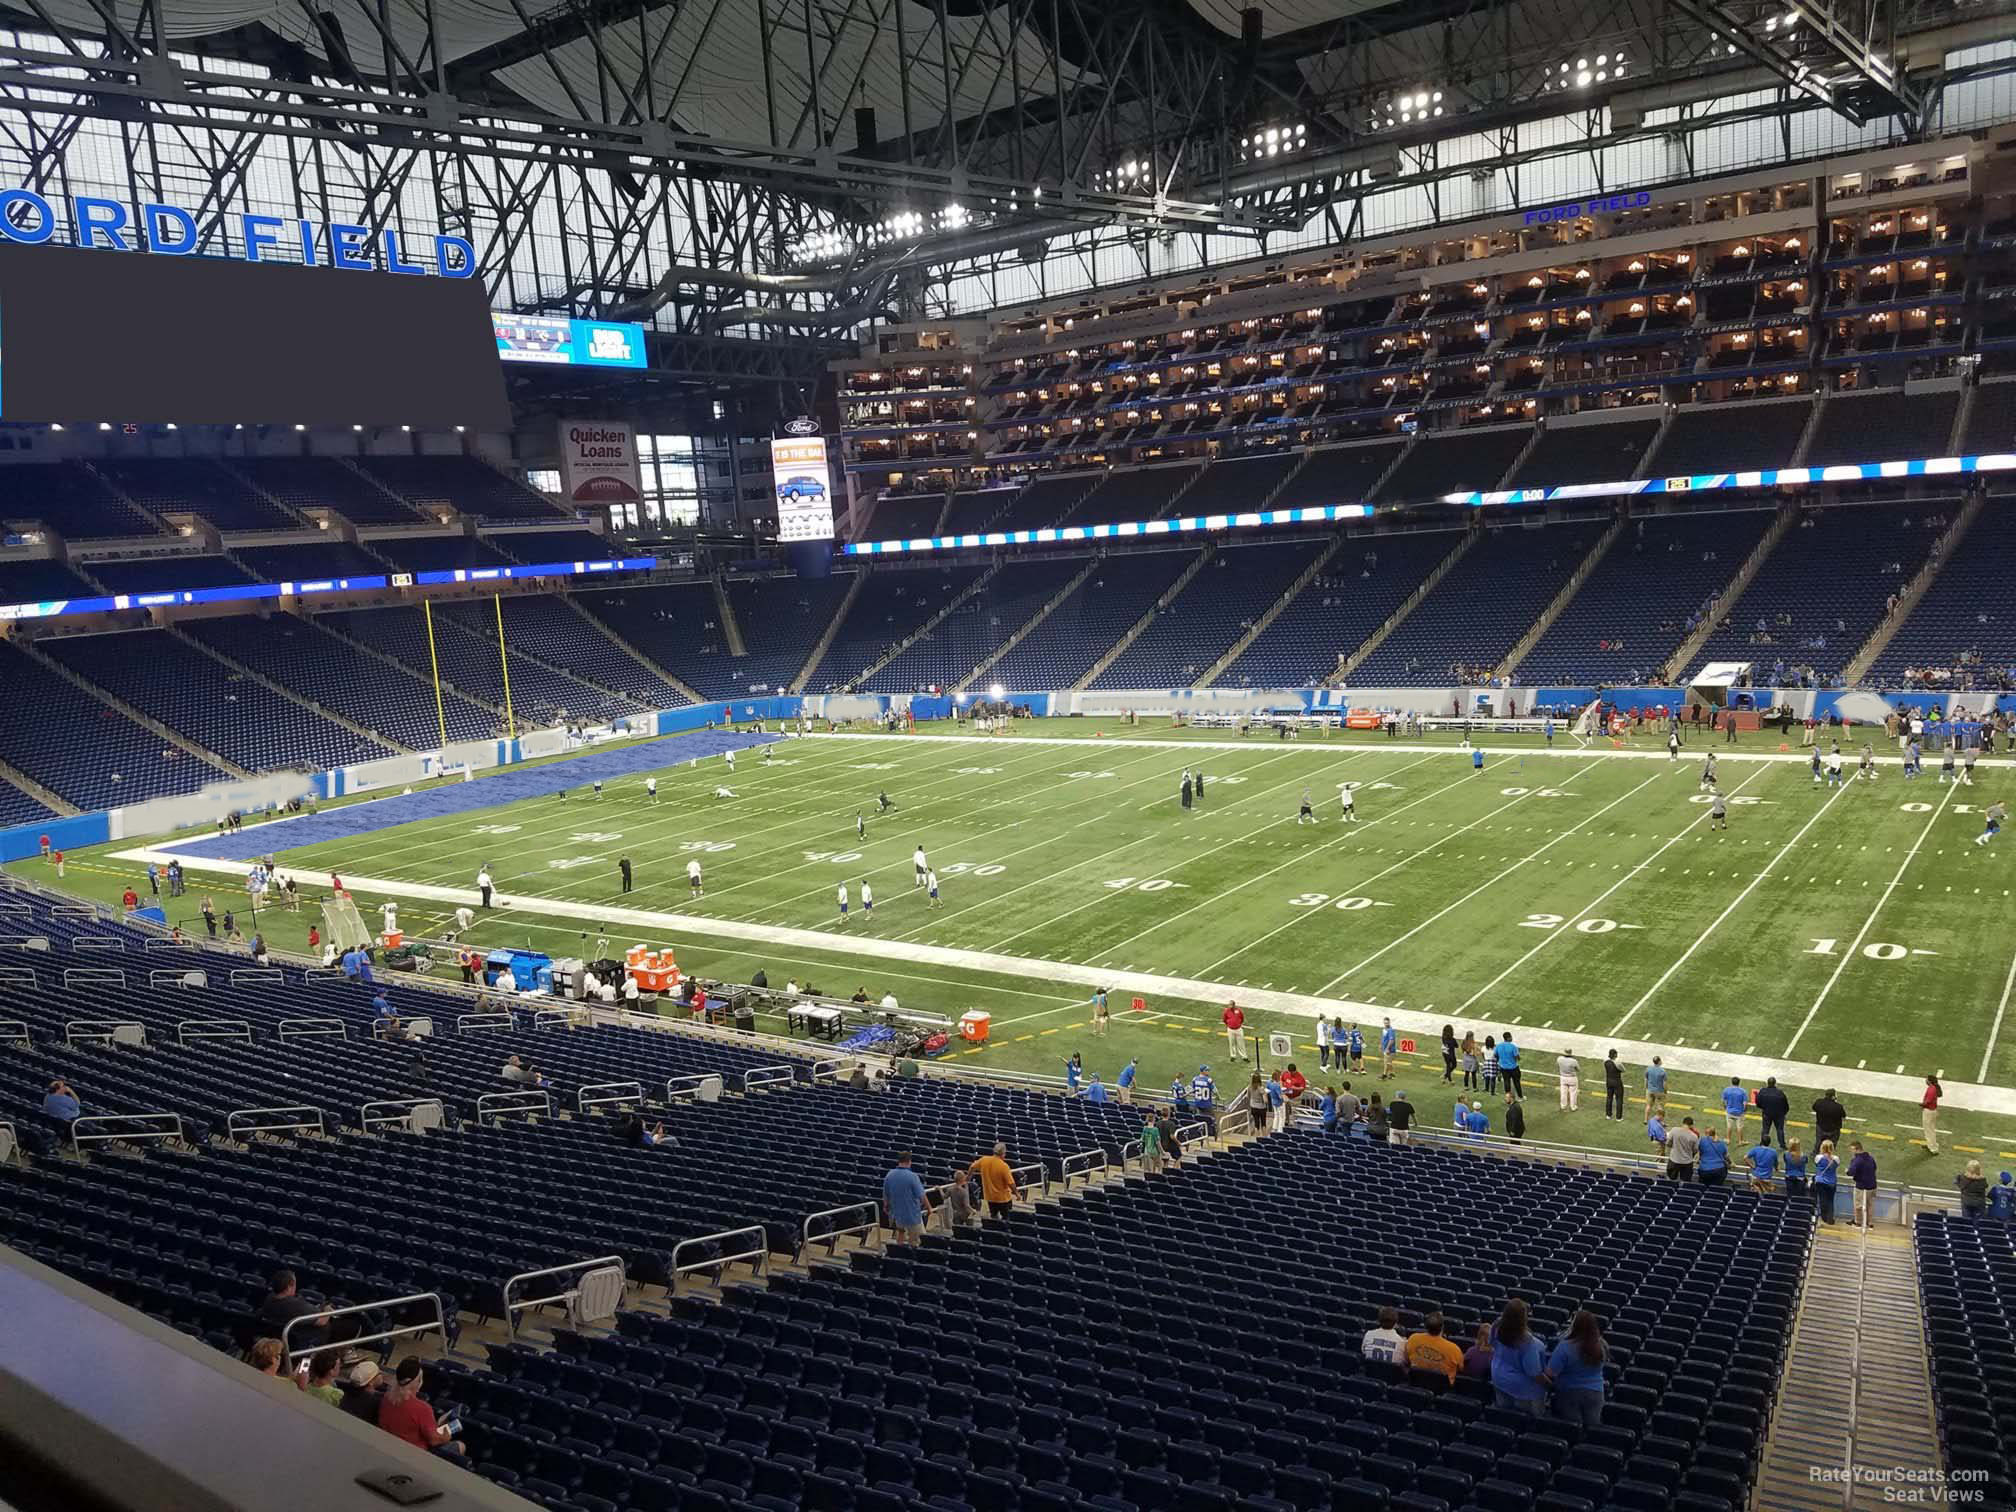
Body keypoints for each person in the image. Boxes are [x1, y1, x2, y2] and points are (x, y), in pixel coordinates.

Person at [378, 1358, 465, 1459]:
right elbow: (435, 1441)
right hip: (415, 1456)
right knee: (460, 1445)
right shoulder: (423, 1408)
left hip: (389, 1448)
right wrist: (447, 1434)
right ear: (418, 1382)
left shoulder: (386, 1398)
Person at [1548, 1312, 1608, 1428]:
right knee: (1592, 1429)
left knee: (1573, 1429)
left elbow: (1551, 1372)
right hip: (1595, 1393)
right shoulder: (1601, 1345)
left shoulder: (1565, 1346)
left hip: (1569, 1393)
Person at [1489, 1299, 1548, 1416]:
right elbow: (1534, 1373)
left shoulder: (1496, 1326)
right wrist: (1550, 1385)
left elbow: (1492, 1343)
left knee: (1506, 1418)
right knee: (1531, 1423)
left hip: (1499, 1378)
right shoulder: (1527, 1342)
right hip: (1523, 1390)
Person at [257, 1270, 330, 1352]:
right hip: (297, 1344)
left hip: (274, 1338)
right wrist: (328, 1309)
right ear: (288, 1287)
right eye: (294, 1284)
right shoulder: (296, 1306)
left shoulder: (269, 1298)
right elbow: (321, 1321)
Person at [1405, 1311, 1464, 1384]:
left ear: (1425, 1326)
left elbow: (1407, 1359)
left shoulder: (1413, 1338)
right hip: (1443, 1388)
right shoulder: (1454, 1349)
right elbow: (1461, 1369)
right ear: (1442, 1327)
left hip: (1415, 1382)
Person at [883, 1153, 930, 1244]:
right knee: (919, 1240)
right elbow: (922, 1196)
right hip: (912, 1216)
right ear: (909, 1161)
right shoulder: (912, 1176)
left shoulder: (889, 1175)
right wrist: (929, 1208)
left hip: (897, 1215)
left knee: (900, 1235)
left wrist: (886, 1207)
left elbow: (886, 1195)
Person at [974, 1143, 1018, 1216]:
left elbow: (972, 1167)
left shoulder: (984, 1160)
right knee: (1007, 1217)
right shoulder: (1004, 1166)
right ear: (1003, 1153)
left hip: (990, 1197)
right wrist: (1017, 1194)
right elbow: (1011, 1183)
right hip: (1003, 1198)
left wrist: (968, 1177)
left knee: (993, 1215)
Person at [1848, 1141, 1878, 1226]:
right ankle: (1870, 1222)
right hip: (1872, 1185)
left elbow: (1851, 1172)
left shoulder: (1857, 1160)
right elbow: (1875, 1167)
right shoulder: (1871, 1158)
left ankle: (1858, 1222)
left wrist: (1847, 1171)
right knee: (1870, 1205)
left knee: (1858, 1205)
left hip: (1861, 1186)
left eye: (1851, 1150)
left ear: (1856, 1149)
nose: (1851, 1152)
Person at [1755, 1076, 1790, 1148]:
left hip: (1766, 1114)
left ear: (1767, 1083)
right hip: (1779, 1115)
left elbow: (1758, 1103)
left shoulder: (1763, 1091)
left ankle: (1762, 1143)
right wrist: (1783, 1113)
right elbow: (1786, 1106)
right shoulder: (1780, 1093)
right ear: (1775, 1083)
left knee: (1765, 1130)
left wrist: (1764, 1108)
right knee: (1780, 1130)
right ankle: (1782, 1144)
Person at [1813, 1140, 1840, 1224]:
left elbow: (1817, 1164)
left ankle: (1824, 1217)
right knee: (1830, 1201)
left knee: (1822, 1200)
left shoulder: (1818, 1157)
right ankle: (1830, 1218)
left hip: (1821, 1182)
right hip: (1832, 1182)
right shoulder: (1836, 1159)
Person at [1666, 1117, 1700, 1182]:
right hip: (1687, 1162)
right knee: (1685, 1182)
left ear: (1683, 1123)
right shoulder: (1694, 1136)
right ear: (1691, 1125)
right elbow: (1695, 1150)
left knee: (1670, 1180)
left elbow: (1668, 1143)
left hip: (1674, 1160)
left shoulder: (1674, 1130)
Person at [1721, 1077, 1749, 1145]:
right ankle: (1740, 1141)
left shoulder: (1726, 1090)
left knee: (1729, 1126)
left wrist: (1726, 1108)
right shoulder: (1743, 1091)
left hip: (1729, 1112)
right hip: (1739, 1113)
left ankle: (1728, 1140)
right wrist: (1744, 1111)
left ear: (1731, 1082)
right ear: (1739, 1083)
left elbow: (1723, 1101)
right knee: (1739, 1127)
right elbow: (1745, 1103)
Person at [1495, 1031, 1521, 1098]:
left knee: (1506, 1082)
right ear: (1509, 1038)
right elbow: (1517, 1057)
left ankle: (1508, 1096)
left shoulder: (1499, 1046)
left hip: (1503, 1067)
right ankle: (1520, 1096)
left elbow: (1496, 1055)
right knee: (1516, 1082)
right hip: (1513, 1067)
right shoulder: (1513, 1047)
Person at [1602, 1050, 1626, 1121]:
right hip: (1617, 1082)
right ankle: (1618, 1117)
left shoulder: (1605, 1061)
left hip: (1608, 1081)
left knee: (1609, 1098)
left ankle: (1608, 1115)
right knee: (1619, 1099)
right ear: (1615, 1055)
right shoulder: (1618, 1063)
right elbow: (1623, 1070)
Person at [1921, 1075, 1943, 1155]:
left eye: (1926, 1079)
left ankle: (1933, 1148)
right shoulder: (1934, 1088)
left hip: (1928, 1111)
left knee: (1928, 1129)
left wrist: (1922, 1104)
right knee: (1931, 1129)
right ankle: (1931, 1144)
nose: (1925, 1080)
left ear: (1929, 1081)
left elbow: (1928, 1101)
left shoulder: (1931, 1089)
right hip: (1933, 1111)